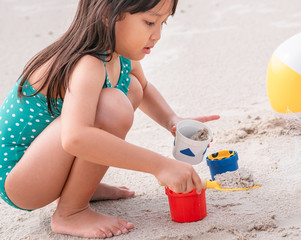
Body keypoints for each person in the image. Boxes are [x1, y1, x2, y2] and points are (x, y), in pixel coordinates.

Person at [0, 0, 219, 238]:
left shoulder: (119, 53)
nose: (157, 35)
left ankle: (77, 187)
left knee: (131, 88)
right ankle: (71, 212)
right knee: (112, 106)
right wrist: (161, 166)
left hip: (45, 162)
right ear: (107, 14)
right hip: (21, 181)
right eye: (149, 22)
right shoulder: (87, 63)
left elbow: (143, 89)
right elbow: (76, 138)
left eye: (162, 23)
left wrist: (172, 121)